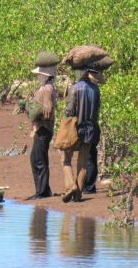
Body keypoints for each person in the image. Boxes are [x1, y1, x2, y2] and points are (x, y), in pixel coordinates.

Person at [61, 66, 100, 203]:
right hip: (91, 129)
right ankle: (78, 195)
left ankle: (71, 186)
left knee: (65, 159)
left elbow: (69, 111)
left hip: (75, 128)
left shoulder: (75, 88)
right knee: (83, 162)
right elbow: (96, 111)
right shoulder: (96, 89)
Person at [27, 51, 59, 199]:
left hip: (44, 128)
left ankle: (42, 192)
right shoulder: (49, 87)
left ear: (45, 75)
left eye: (40, 74)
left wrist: (33, 114)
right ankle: (43, 190)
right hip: (44, 128)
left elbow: (47, 111)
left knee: (38, 159)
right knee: (37, 158)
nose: (38, 77)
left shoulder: (46, 89)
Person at [83, 69, 106, 194]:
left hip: (89, 126)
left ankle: (89, 186)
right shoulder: (95, 89)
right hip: (94, 126)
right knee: (92, 155)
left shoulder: (90, 89)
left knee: (89, 157)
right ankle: (90, 185)